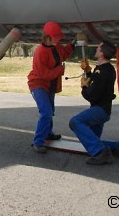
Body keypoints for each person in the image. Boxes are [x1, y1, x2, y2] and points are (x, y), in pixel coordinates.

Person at [69, 41, 119, 165]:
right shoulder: (106, 68)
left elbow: (92, 95)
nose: (96, 49)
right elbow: (98, 84)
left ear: (101, 53)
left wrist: (84, 87)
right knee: (92, 141)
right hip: (104, 109)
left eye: (98, 48)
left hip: (99, 110)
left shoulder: (102, 71)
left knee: (75, 122)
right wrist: (88, 72)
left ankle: (102, 154)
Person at [27, 21, 75, 153]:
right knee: (46, 112)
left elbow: (63, 54)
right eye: (55, 38)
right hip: (38, 84)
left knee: (50, 110)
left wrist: (73, 44)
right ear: (47, 37)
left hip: (50, 85)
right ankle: (38, 142)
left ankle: (48, 133)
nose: (58, 40)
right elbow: (43, 74)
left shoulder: (56, 46)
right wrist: (60, 70)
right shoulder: (40, 52)